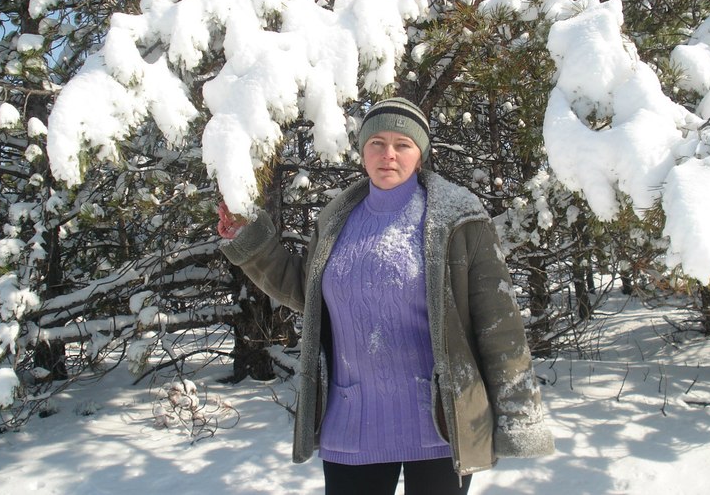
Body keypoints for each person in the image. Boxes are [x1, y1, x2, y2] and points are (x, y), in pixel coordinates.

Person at [218, 97, 554, 495]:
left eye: (402, 144)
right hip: (352, 422)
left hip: (440, 426)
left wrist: (517, 413)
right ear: (362, 151)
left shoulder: (459, 220)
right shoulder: (336, 218)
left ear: (420, 154)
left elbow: (499, 325)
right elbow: (307, 292)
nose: (388, 154)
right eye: (376, 142)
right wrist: (249, 241)